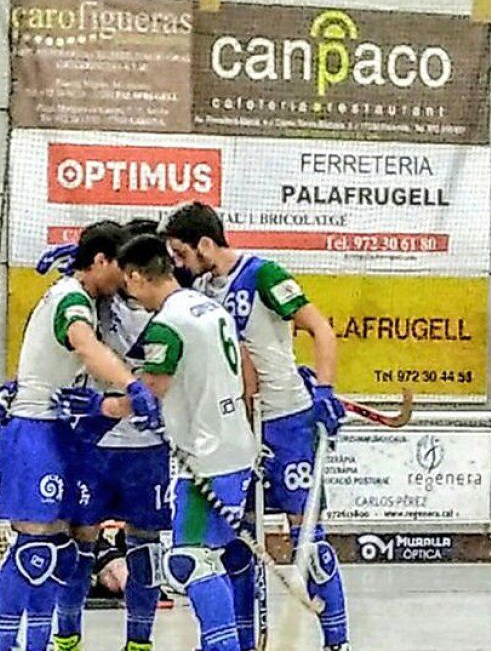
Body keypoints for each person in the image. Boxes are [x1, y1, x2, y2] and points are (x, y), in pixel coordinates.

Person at [160, 202, 350, 651]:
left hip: (286, 420)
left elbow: (321, 329)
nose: (178, 264)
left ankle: (337, 642)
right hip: (238, 430)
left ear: (206, 245)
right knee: (237, 543)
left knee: (309, 540)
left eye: (182, 253)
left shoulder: (263, 274)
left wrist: (323, 390)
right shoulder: (200, 289)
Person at [59, 234, 258, 651]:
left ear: (135, 276)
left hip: (206, 457)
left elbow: (150, 390)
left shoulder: (167, 325)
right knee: (217, 555)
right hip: (235, 446)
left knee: (191, 560)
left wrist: (101, 406)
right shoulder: (210, 309)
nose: (128, 296)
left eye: (127, 286)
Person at [0, 221, 161, 651]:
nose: (125, 278)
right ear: (101, 261)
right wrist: (132, 386)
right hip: (36, 429)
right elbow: (83, 344)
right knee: (36, 546)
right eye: (118, 267)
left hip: (66, 431)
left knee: (62, 550)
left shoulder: (85, 292)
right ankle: (3, 643)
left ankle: (40, 643)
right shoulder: (71, 297)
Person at [40, 219, 171, 651]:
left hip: (147, 444)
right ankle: (67, 636)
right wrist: (70, 264)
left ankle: (139, 641)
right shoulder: (96, 297)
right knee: (79, 540)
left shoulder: (173, 301)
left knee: (145, 544)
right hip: (95, 440)